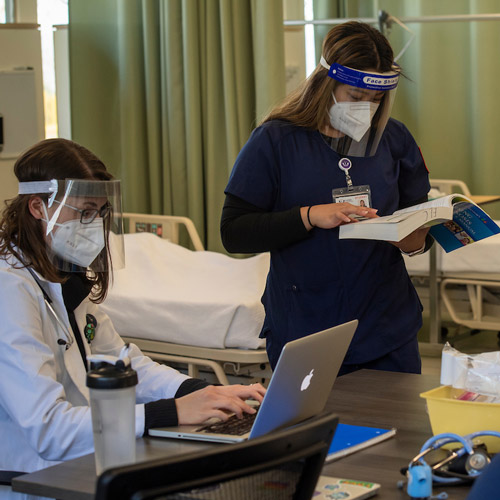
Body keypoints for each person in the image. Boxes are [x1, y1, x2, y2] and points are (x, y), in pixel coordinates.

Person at [0, 139, 265, 500]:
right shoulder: (9, 291)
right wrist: (169, 412)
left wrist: (202, 392)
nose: (94, 226)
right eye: (84, 212)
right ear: (38, 206)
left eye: (100, 213)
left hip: (87, 462)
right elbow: (49, 429)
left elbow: (124, 363)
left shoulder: (62, 280)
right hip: (33, 480)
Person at [221, 21, 431, 374]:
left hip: (387, 326)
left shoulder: (393, 139)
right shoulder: (276, 141)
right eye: (355, 97)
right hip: (307, 330)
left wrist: (414, 241)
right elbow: (234, 232)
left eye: (376, 100)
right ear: (325, 82)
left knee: (400, 429)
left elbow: (418, 217)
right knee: (321, 430)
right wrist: (308, 216)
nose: (366, 108)